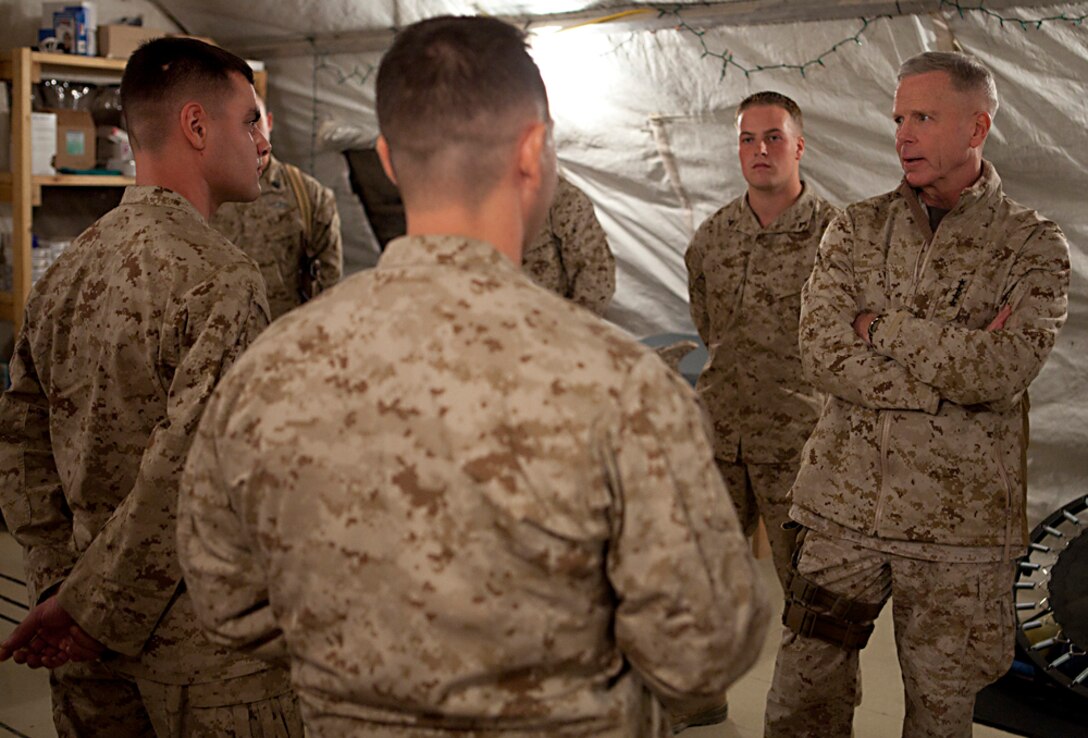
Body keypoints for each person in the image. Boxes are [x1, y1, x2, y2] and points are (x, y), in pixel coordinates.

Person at [177, 15, 768, 738]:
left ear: (390, 159)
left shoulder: (267, 373)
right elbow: (706, 644)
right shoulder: (620, 388)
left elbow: (222, 597)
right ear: (533, 151)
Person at [0, 37, 302, 737]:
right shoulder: (223, 279)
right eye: (251, 120)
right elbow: (194, 475)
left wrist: (59, 591)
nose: (263, 142)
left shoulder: (67, 273)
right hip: (209, 667)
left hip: (86, 655)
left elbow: (20, 444)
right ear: (197, 127)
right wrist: (92, 609)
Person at [764, 51, 1070, 737]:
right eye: (899, 117)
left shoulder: (1031, 246)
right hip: (842, 510)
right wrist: (948, 378)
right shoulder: (858, 228)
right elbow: (821, 352)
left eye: (924, 117)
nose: (903, 134)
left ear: (976, 127)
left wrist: (882, 327)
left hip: (956, 532)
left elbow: (1001, 370)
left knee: (941, 714)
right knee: (799, 704)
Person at [685, 91, 838, 588]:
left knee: (811, 592)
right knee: (704, 584)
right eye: (748, 140)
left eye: (774, 137)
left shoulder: (836, 236)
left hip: (799, 441)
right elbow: (708, 323)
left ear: (799, 147)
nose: (760, 150)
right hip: (720, 435)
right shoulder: (715, 235)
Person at [211, 94, 344, 320]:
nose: (250, 137)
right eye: (238, 126)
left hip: (283, 342)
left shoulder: (310, 195)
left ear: (270, 122)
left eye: (255, 122)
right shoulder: (206, 192)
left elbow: (330, 291)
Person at [522, 175, 616, 315]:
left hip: (545, 324)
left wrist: (565, 330)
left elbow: (596, 282)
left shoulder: (559, 197)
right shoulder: (481, 194)